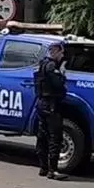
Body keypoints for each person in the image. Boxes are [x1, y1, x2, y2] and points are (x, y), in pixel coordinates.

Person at [33, 42, 69, 180]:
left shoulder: (41, 64)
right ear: (56, 52)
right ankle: (53, 170)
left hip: (41, 103)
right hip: (51, 105)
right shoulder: (52, 66)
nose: (63, 55)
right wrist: (62, 73)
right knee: (55, 137)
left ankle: (43, 168)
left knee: (42, 136)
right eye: (61, 53)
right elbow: (58, 84)